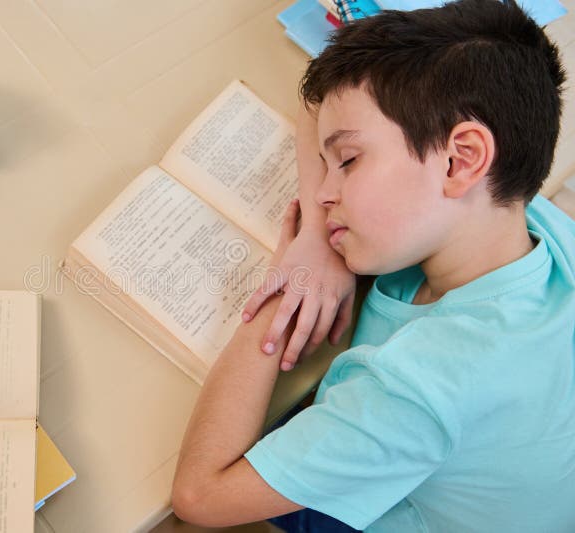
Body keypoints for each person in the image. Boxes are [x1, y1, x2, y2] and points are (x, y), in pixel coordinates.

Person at [171, 1, 575, 531]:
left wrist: (286, 285)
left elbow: (200, 496)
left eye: (349, 161)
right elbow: (319, 106)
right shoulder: (523, 216)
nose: (324, 191)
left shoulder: (416, 391)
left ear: (461, 159)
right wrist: (318, 238)